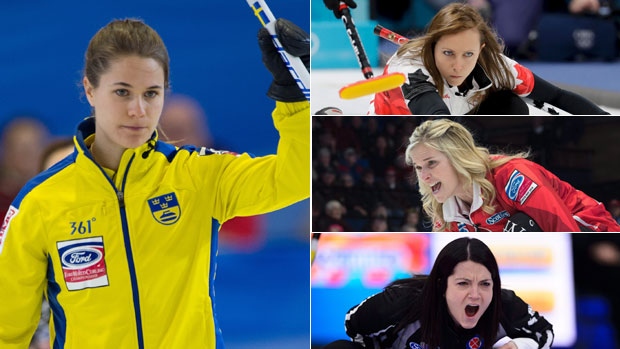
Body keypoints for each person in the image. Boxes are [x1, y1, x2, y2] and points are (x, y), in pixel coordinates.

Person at [0, 16, 309, 348]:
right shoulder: (39, 202)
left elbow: (296, 176)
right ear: (90, 89)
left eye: (151, 93)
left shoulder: (196, 174)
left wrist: (294, 98)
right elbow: (8, 329)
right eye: (122, 92)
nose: (138, 110)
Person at [369, 3, 610, 115]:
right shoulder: (409, 67)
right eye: (448, 53)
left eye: (468, 54)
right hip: (413, 130)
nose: (458, 65)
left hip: (459, 114)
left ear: (481, 49)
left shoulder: (496, 65)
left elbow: (557, 96)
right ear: (433, 46)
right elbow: (435, 116)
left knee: (511, 106)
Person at [323, 236, 554, 349]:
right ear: (442, 285)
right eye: (463, 283)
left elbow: (545, 334)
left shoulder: (505, 304)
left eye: (485, 284)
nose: (476, 295)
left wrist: (517, 346)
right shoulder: (401, 303)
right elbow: (353, 325)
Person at [405, 118, 620, 231]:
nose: (424, 176)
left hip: (590, 230)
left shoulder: (510, 176)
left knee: (522, 227)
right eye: (418, 167)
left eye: (431, 163)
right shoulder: (446, 211)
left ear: (458, 157)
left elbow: (562, 228)